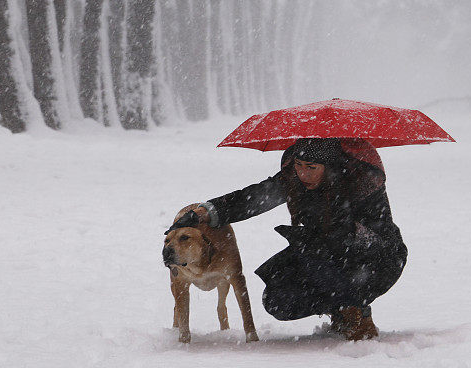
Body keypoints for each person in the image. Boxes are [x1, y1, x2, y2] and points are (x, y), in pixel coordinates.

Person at [174, 137, 407, 340]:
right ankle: (339, 308)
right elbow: (251, 198)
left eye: (312, 167)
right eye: (298, 165)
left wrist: (341, 231)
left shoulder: (361, 182)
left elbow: (380, 233)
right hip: (319, 256)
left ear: (329, 166)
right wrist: (205, 213)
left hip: (377, 259)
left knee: (318, 255)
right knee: (278, 300)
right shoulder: (293, 181)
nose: (303, 173)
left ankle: (356, 311)